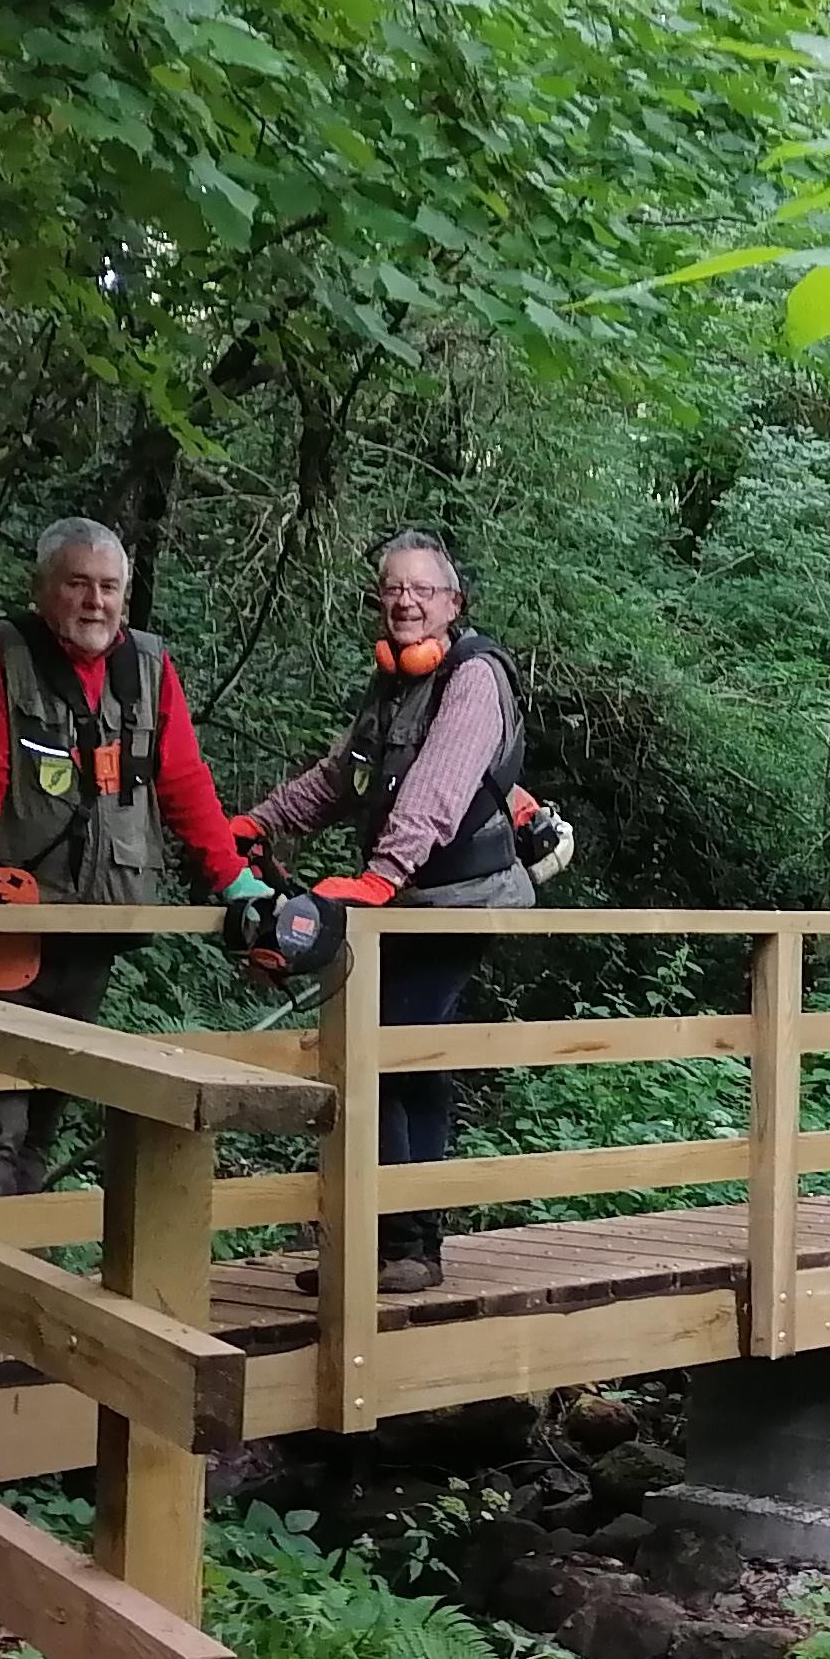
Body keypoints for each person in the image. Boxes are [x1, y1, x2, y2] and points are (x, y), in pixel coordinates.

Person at [0, 517, 271, 1360]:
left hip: (98, 921)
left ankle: (22, 1293)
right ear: (45, 587)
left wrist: (234, 880)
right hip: (9, 917)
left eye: (109, 587)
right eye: (77, 583)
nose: (94, 601)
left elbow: (185, 777)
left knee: (48, 1112)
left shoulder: (150, 668)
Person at [236, 527, 534, 1295]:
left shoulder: (472, 679)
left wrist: (380, 873)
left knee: (389, 1053)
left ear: (453, 604)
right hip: (404, 901)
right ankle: (380, 1245)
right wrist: (261, 823)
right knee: (403, 1060)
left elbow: (438, 784)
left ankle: (407, 1248)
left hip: (460, 901)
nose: (404, 601)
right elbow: (344, 776)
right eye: (393, 588)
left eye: (421, 591)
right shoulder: (393, 683)